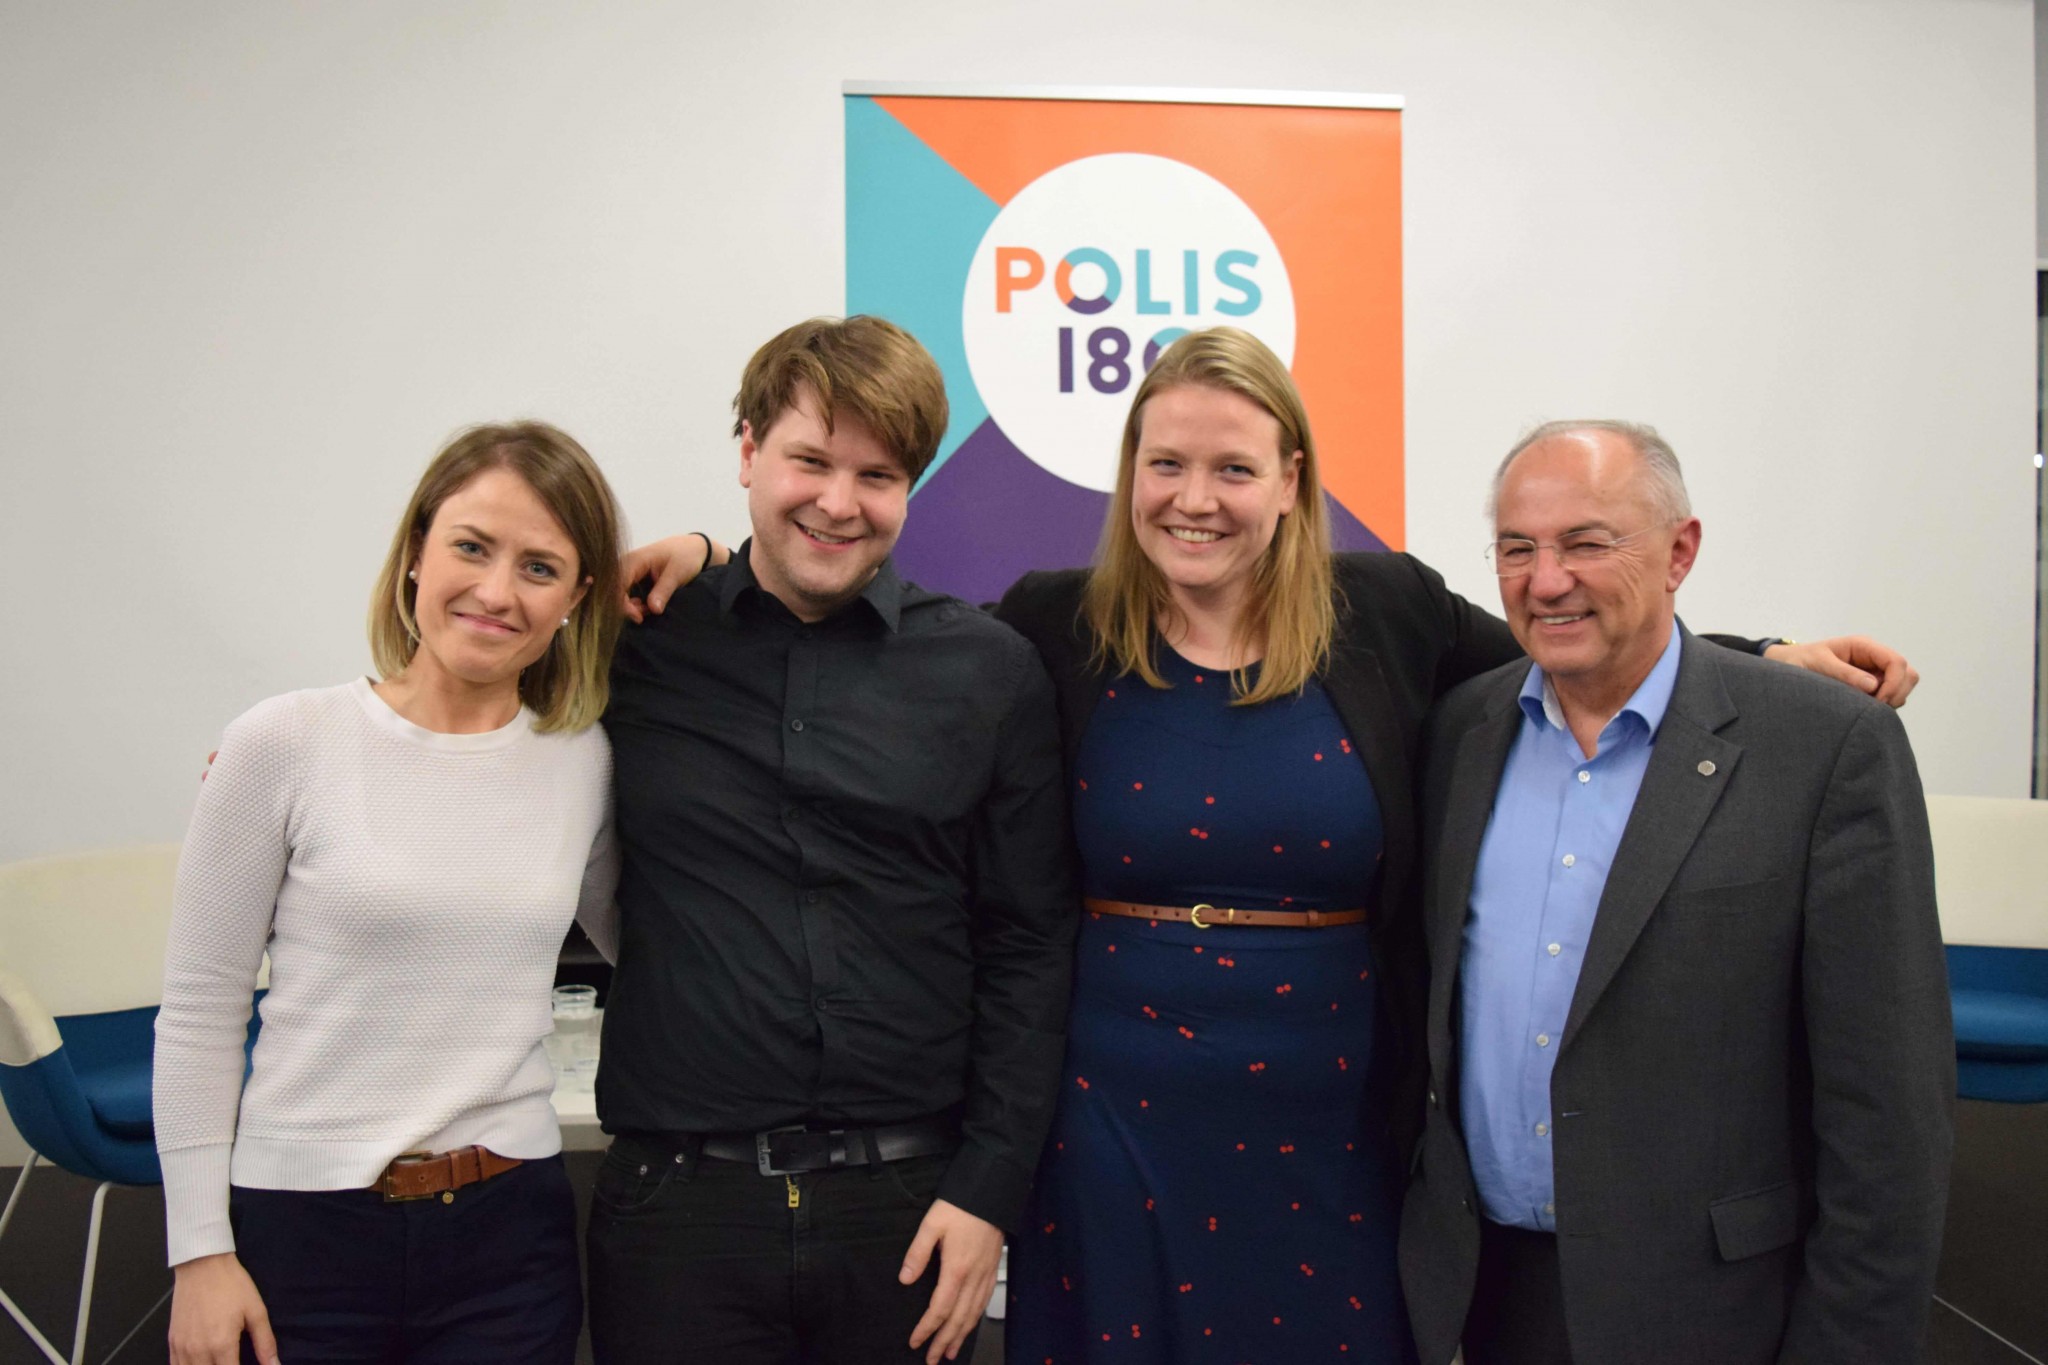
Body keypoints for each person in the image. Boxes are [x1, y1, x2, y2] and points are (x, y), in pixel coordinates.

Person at [623, 329, 1914, 1362]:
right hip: (1106, 1124)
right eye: (1166, 465)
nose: (1195, 499)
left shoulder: (1384, 612)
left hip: (1334, 1129)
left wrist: (1758, 657)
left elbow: (1565, 648)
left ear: (1292, 479)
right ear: (1128, 477)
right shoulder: (1052, 627)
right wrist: (711, 554)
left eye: (1234, 468)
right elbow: (865, 624)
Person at [1396, 421, 1953, 1365]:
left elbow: (1888, 1114)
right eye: (1517, 548)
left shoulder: (1824, 748)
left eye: (1586, 542)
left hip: (1710, 1307)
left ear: (1679, 552)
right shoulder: (1460, 732)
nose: (1546, 579)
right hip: (1486, 1293)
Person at [587, 315, 1076, 1365]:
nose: (838, 502)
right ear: (749, 452)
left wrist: (989, 1190)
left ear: (911, 488)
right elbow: (475, 654)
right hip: (677, 1214)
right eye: (809, 460)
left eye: (877, 475)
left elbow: (1029, 944)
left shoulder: (989, 671)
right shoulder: (633, 644)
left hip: (909, 1212)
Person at [153, 422, 626, 1365]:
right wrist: (198, 1250)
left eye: (539, 567)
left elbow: (653, 949)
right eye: (471, 547)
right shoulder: (283, 741)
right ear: (415, 552)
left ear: (577, 597)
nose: (496, 591)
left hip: (509, 1238)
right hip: (302, 1230)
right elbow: (201, 1009)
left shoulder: (585, 760)